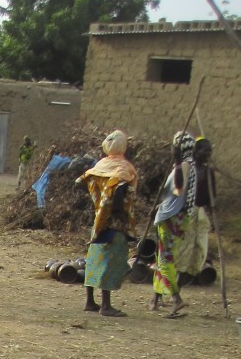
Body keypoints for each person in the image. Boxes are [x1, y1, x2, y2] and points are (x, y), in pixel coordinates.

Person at [151, 133, 216, 317]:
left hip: (173, 218)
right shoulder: (190, 166)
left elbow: (178, 189)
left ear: (178, 149)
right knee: (162, 258)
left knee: (165, 261)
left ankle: (176, 298)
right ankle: (156, 299)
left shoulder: (185, 165)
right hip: (174, 216)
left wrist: (178, 162)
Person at [77, 129, 138, 318]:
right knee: (110, 262)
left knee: (94, 259)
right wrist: (117, 210)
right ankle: (106, 305)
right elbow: (119, 188)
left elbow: (80, 181)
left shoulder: (100, 166)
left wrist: (99, 201)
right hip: (114, 222)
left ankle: (90, 301)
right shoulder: (123, 168)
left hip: (99, 220)